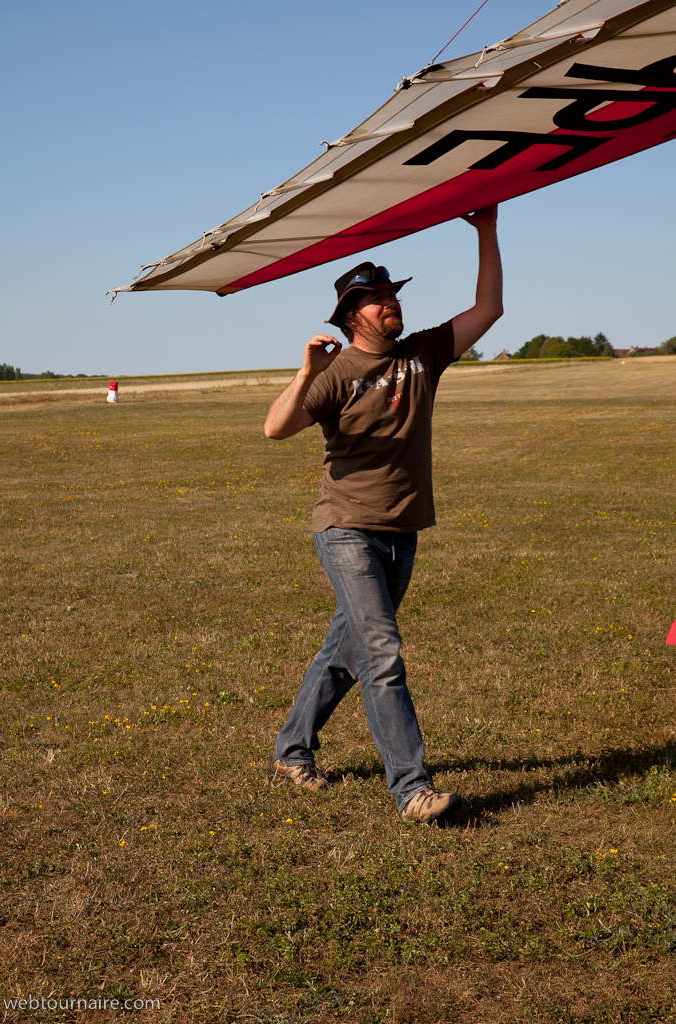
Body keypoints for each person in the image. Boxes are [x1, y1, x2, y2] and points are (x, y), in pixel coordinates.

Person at [264, 205, 503, 823]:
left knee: (345, 650)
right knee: (382, 653)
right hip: (345, 529)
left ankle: (292, 749)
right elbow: (275, 428)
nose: (388, 303)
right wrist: (305, 371)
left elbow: (489, 309)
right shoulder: (336, 371)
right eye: (374, 298)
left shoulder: (423, 354)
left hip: (402, 530)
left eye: (391, 294)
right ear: (350, 316)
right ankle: (412, 788)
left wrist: (486, 231)